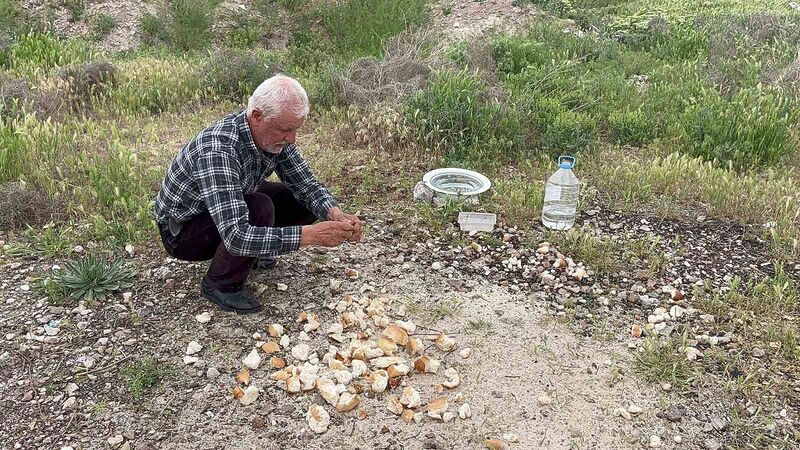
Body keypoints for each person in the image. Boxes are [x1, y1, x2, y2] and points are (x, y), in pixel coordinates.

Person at [153, 75, 363, 314]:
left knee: (300, 201)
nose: (292, 138)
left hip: (227, 202)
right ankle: (220, 284)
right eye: (285, 130)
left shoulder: (271, 135)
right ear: (256, 116)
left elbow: (306, 184)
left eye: (295, 129)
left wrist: (335, 214)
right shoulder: (218, 149)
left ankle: (256, 252)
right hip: (182, 232)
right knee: (259, 207)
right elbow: (235, 235)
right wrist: (310, 236)